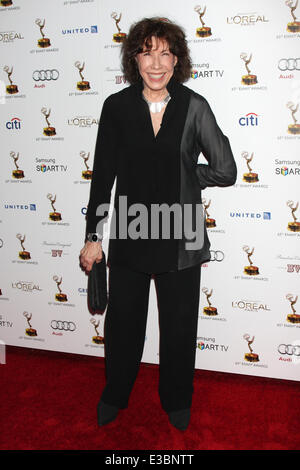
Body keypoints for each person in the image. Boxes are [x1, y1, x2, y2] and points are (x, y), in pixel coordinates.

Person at [80, 17, 237, 431]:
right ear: (134, 57)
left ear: (177, 59)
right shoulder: (116, 106)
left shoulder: (194, 105)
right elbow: (102, 178)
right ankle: (116, 393)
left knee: (180, 326)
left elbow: (225, 169)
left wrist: (186, 174)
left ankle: (177, 400)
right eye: (147, 51)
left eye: (165, 52)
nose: (156, 61)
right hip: (132, 229)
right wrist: (93, 237)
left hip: (180, 232)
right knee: (122, 326)